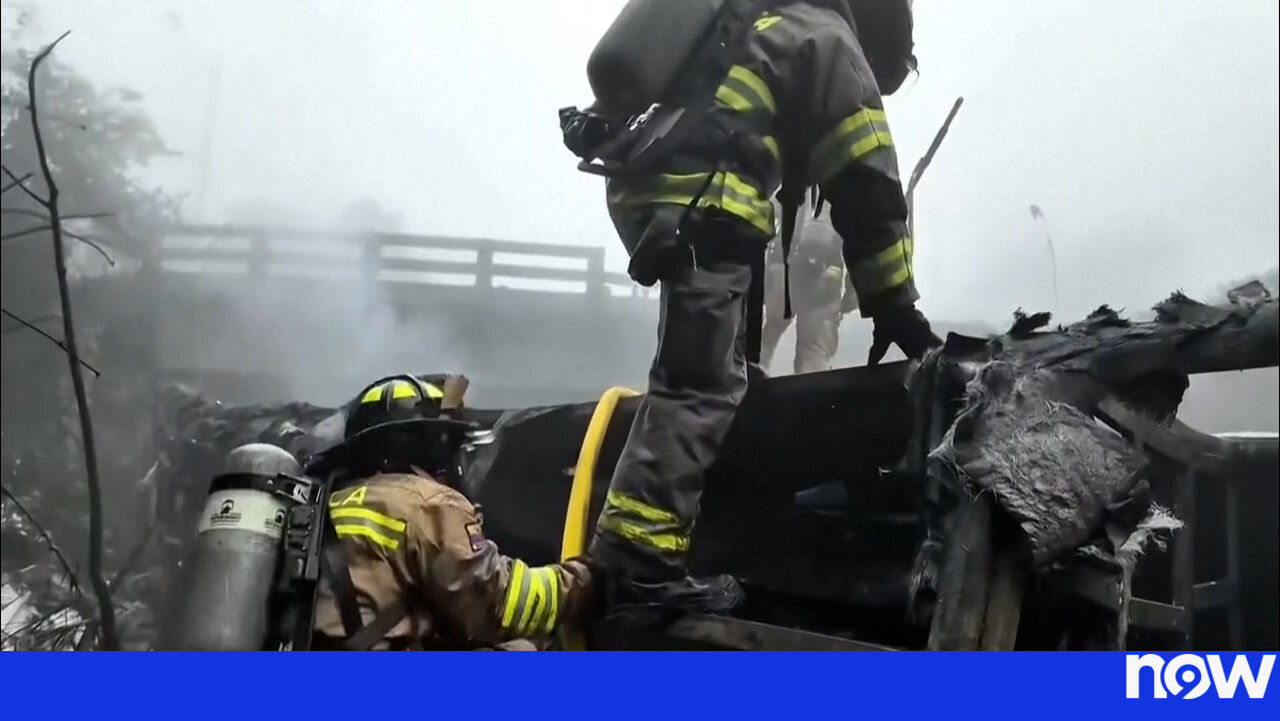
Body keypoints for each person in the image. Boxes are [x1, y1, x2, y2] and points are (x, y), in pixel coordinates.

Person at [588, 0, 941, 618]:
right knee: (695, 388)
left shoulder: (765, 21)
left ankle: (706, 459)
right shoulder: (830, 41)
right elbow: (867, 182)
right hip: (705, 196)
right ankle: (637, 568)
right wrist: (894, 303)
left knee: (714, 366)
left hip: (659, 181)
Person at [311, 375, 596, 650]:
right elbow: (500, 605)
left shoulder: (334, 500)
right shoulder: (428, 503)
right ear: (426, 446)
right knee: (532, 649)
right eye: (448, 444)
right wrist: (589, 577)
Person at [760, 197, 858, 375]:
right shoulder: (850, 186)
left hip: (785, 267)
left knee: (767, 339)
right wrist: (854, 291)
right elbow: (860, 237)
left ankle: (751, 383)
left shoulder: (791, 180)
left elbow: (765, 213)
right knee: (813, 353)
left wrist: (764, 276)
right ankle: (810, 389)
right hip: (826, 274)